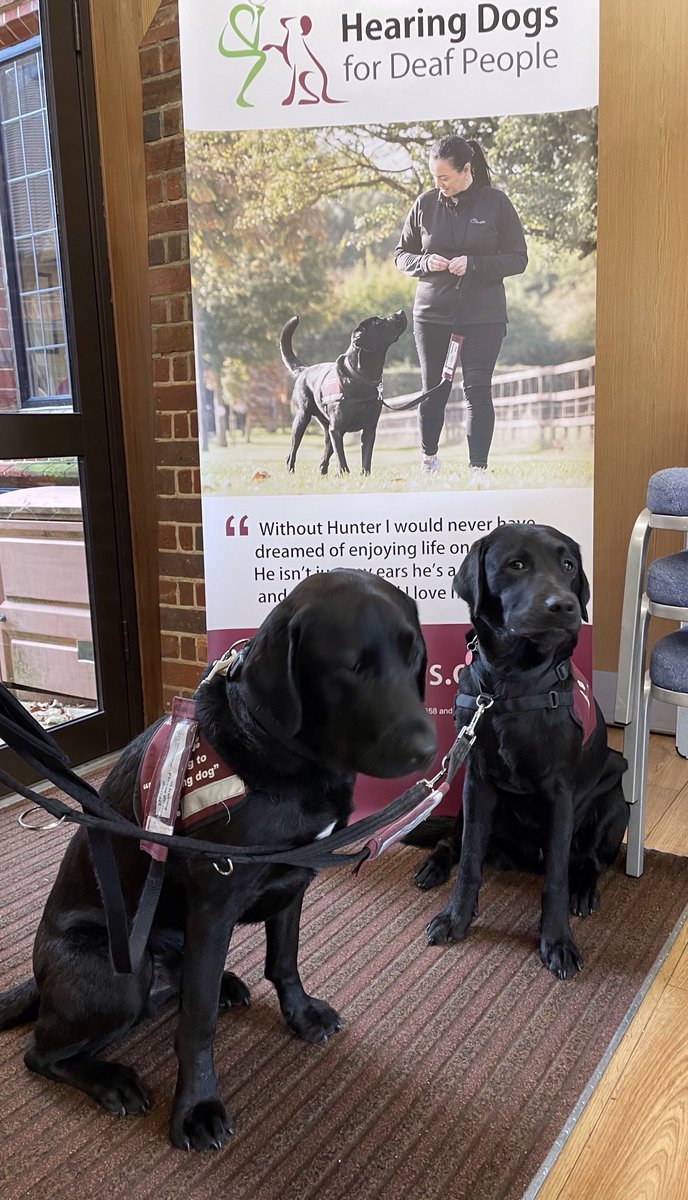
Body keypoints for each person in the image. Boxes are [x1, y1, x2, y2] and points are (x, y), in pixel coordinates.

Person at [394, 135, 527, 486]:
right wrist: (425, 261)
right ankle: (429, 460)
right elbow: (401, 255)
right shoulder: (424, 204)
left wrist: (474, 264)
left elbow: (518, 258)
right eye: (435, 178)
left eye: (445, 178)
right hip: (432, 313)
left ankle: (477, 470)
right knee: (433, 388)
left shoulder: (496, 203)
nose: (439, 185)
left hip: (483, 315)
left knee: (478, 389)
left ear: (466, 169)